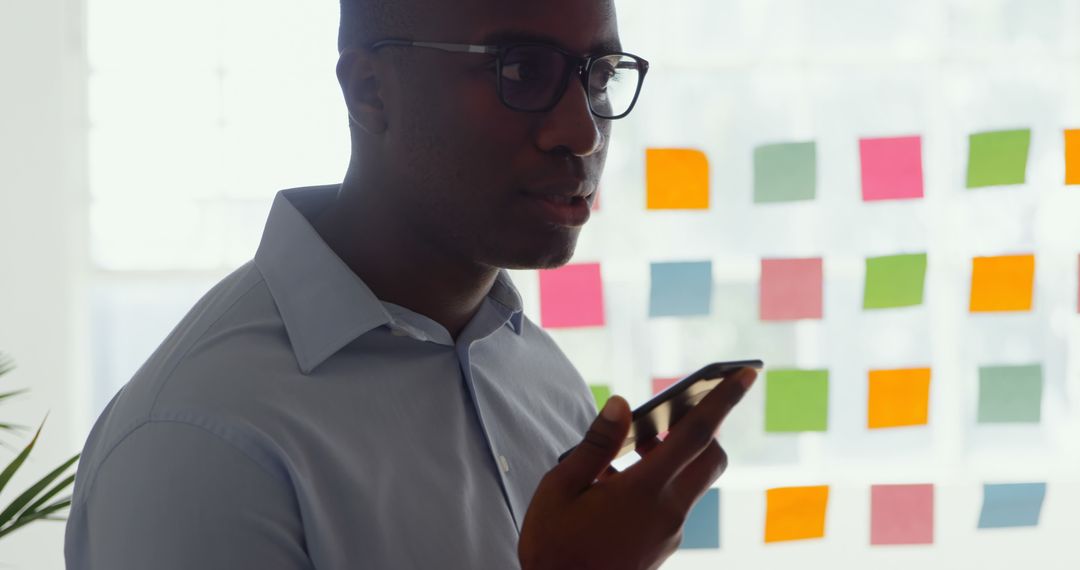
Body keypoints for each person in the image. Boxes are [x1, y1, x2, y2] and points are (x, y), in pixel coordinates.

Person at [64, 0, 757, 568]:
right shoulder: (198, 443)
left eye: (599, 76)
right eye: (521, 70)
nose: (580, 130)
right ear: (371, 90)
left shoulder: (538, 376)